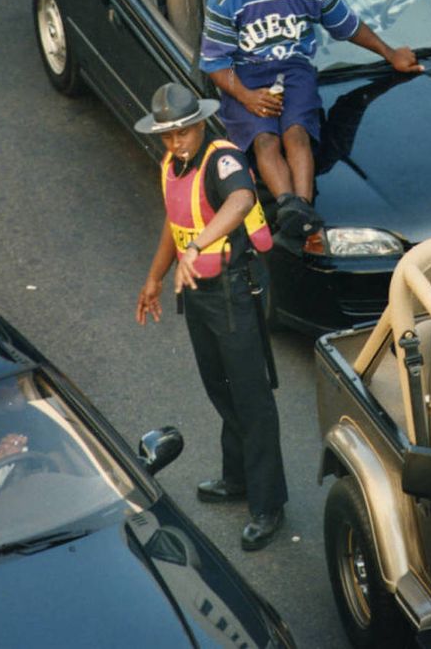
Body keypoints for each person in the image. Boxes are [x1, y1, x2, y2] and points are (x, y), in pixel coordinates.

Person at [199, 0, 423, 241]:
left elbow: (347, 26)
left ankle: (302, 209)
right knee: (265, 140)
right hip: (245, 74)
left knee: (297, 133)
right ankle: (290, 203)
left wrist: (390, 54)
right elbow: (214, 61)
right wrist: (246, 96)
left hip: (294, 69)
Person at [135, 82, 288, 551]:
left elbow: (240, 201)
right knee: (219, 386)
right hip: (195, 292)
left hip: (232, 292)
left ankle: (269, 504)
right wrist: (154, 277)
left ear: (199, 123)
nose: (175, 142)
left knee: (251, 397)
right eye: (167, 135)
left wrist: (199, 246)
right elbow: (175, 222)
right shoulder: (172, 165)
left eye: (182, 132)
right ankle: (237, 477)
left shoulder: (221, 159)